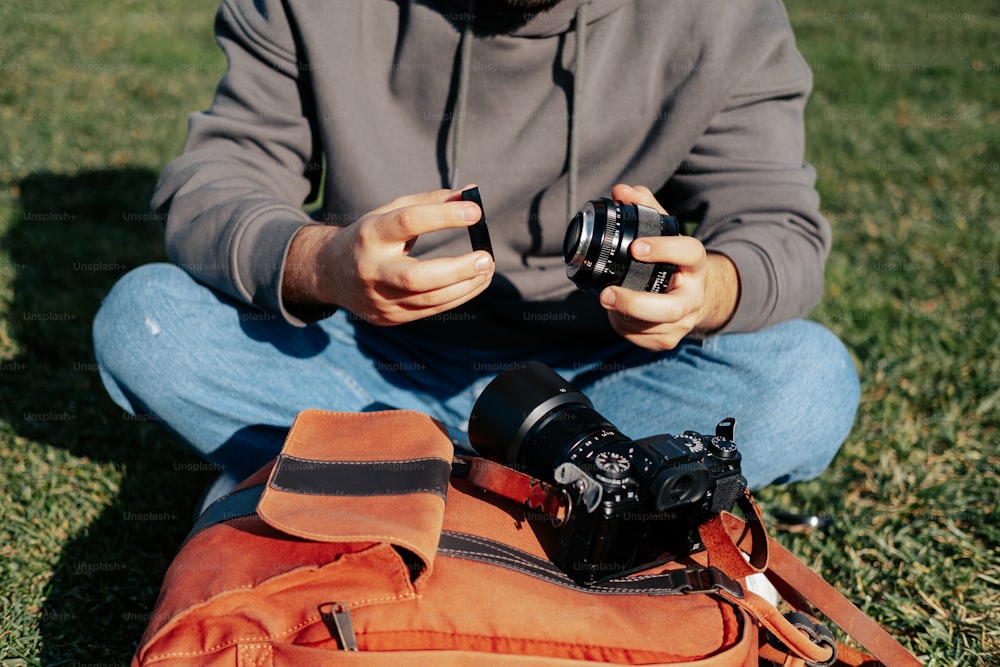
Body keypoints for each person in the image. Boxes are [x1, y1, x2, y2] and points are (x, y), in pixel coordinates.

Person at [93, 0, 860, 497]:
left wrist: (708, 289)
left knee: (807, 380)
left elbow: (776, 227)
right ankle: (556, 500)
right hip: (364, 358)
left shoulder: (725, 15)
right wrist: (324, 262)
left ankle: (353, 477)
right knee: (146, 322)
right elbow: (216, 181)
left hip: (596, 386)